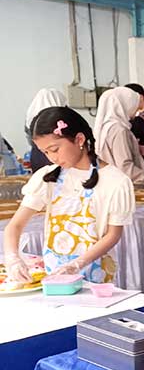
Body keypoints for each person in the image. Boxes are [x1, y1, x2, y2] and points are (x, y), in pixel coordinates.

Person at [3, 107, 135, 283]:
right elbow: (15, 226)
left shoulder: (116, 181)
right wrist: (13, 259)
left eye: (55, 149)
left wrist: (76, 265)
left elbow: (112, 235)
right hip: (54, 275)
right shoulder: (47, 178)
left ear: (79, 139)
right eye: (45, 152)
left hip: (96, 277)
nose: (52, 158)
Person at [95, 87, 144, 189]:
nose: (137, 110)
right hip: (126, 187)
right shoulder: (119, 130)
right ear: (125, 105)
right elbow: (125, 167)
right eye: (134, 106)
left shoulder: (106, 128)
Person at [25, 88, 67, 172]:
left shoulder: (31, 117)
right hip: (57, 160)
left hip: (38, 157)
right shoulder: (63, 117)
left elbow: (30, 140)